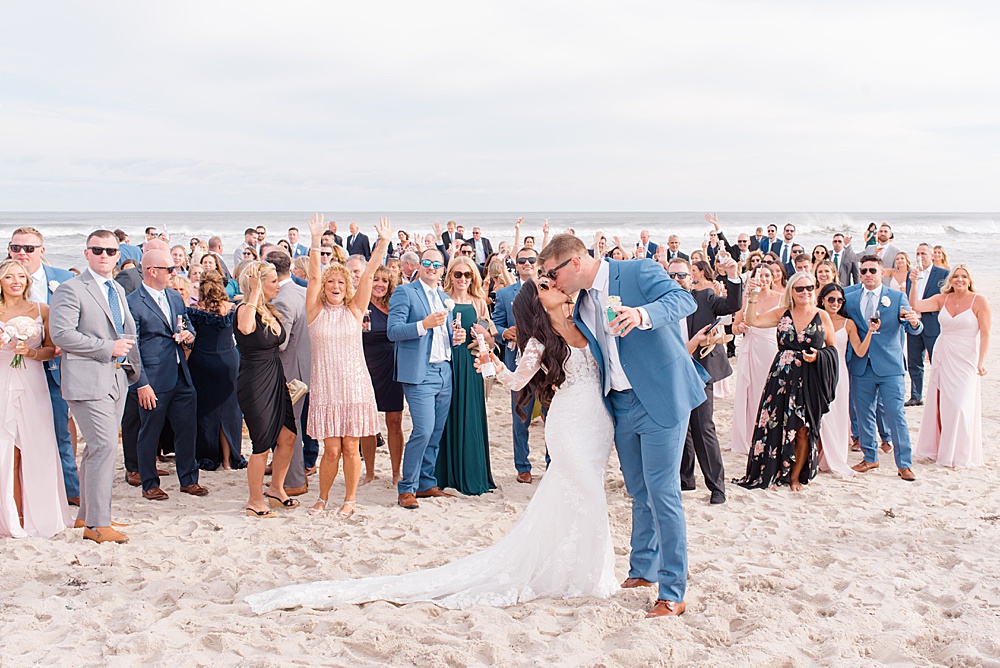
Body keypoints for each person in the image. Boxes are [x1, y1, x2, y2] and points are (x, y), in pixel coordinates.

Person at [246, 277, 619, 614]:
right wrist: (489, 362)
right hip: (568, 424)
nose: (553, 284)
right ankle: (586, 573)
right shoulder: (540, 341)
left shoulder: (586, 321)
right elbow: (516, 379)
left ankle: (581, 566)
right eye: (544, 284)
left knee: (585, 493)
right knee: (581, 488)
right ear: (538, 302)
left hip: (597, 425)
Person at [540, 234, 707, 618]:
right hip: (618, 402)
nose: (551, 281)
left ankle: (672, 592)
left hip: (661, 395)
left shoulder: (637, 271)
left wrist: (641, 315)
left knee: (664, 493)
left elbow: (684, 300)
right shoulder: (579, 302)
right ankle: (643, 570)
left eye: (553, 273)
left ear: (575, 263)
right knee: (638, 490)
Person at [50, 230, 141, 543]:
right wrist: (107, 348)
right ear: (86, 253)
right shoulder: (71, 289)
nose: (104, 256)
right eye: (98, 250)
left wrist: (132, 371)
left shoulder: (115, 288)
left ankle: (87, 516)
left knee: (95, 450)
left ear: (119, 254)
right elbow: (62, 334)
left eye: (111, 251)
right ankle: (97, 525)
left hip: (116, 378)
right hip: (86, 379)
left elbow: (127, 333)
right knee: (103, 447)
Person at [304, 215, 390, 518]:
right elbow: (313, 278)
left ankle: (350, 499)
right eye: (331, 282)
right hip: (327, 387)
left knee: (351, 448)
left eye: (341, 282)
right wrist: (315, 242)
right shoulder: (315, 312)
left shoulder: (355, 310)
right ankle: (323, 497)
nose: (335, 286)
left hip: (354, 386)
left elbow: (366, 278)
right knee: (331, 450)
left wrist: (381, 245)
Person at [736, 272, 839, 491]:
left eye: (809, 288)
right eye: (799, 289)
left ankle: (794, 477)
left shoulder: (822, 316)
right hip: (781, 377)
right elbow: (753, 320)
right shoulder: (783, 313)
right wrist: (752, 294)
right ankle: (773, 471)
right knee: (775, 423)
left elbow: (832, 348)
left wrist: (818, 356)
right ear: (791, 291)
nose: (805, 292)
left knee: (803, 428)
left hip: (809, 378)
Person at [387, 248, 467, 510]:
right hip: (420, 374)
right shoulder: (405, 292)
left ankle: (426, 482)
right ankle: (406, 488)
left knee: (436, 431)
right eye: (427, 262)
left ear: (443, 269)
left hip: (445, 371)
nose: (432, 267)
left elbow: (441, 338)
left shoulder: (444, 298)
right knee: (422, 429)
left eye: (437, 264)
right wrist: (424, 324)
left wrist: (456, 339)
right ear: (419, 266)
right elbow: (393, 331)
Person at [0, 260, 74, 537]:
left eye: (20, 276)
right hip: (2, 380)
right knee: (5, 448)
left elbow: (50, 350)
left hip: (33, 381)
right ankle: (10, 516)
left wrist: (29, 353)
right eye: (9, 276)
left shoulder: (42, 310)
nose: (16, 281)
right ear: (1, 281)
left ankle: (38, 514)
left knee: (38, 445)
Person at [7, 227, 79, 505]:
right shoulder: (5, 281)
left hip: (56, 367)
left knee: (60, 430)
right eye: (16, 248)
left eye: (28, 248)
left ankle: (70, 489)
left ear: (42, 251)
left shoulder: (63, 279)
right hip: (13, 371)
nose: (22, 254)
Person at [126, 249, 205, 501]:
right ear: (152, 271)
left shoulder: (174, 297)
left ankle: (189, 480)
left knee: (186, 429)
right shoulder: (133, 303)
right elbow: (132, 347)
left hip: (181, 373)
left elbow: (186, 325)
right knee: (149, 432)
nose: (175, 272)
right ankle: (149, 482)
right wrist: (141, 384)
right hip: (152, 378)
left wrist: (189, 336)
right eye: (169, 269)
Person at [669, 256, 742, 505]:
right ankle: (685, 479)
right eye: (671, 275)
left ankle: (717, 486)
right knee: (680, 428)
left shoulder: (705, 298)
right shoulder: (661, 304)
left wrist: (733, 275)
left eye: (681, 275)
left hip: (699, 372)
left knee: (702, 427)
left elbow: (732, 304)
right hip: (671, 373)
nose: (676, 280)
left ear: (692, 277)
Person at [844, 255, 924, 481]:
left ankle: (904, 464)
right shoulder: (849, 297)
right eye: (864, 271)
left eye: (872, 270)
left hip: (890, 366)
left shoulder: (897, 297)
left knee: (895, 414)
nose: (867, 274)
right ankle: (870, 457)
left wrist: (915, 322)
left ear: (882, 273)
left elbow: (913, 327)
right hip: (861, 364)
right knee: (863, 414)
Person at [235, 261, 298, 518]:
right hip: (254, 380)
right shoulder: (243, 309)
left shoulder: (271, 309)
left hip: (275, 376)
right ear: (258, 284)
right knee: (261, 443)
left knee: (288, 436)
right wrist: (253, 294)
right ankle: (254, 499)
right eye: (272, 281)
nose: (277, 285)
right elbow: (246, 328)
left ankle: (276, 488)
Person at [910, 265, 990, 467]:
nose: (960, 280)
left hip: (966, 358)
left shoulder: (978, 301)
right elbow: (916, 306)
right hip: (944, 354)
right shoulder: (942, 299)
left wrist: (980, 362)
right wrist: (914, 283)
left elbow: (986, 334)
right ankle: (942, 450)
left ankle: (959, 453)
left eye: (964, 276)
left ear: (969, 280)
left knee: (960, 405)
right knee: (944, 405)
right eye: (956, 276)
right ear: (950, 279)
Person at [436, 256, 496, 496]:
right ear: (450, 275)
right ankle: (444, 474)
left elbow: (491, 339)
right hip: (447, 363)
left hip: (471, 367)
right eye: (457, 274)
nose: (462, 279)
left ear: (474, 277)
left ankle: (471, 474)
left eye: (467, 275)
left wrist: (484, 334)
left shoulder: (479, 302)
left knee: (470, 415)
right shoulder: (441, 300)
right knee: (444, 416)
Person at [187, 271, 245, 471]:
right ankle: (228, 461)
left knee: (205, 411)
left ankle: (208, 455)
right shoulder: (231, 309)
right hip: (228, 361)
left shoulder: (195, 311)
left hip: (202, 361)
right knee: (229, 412)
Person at [493, 247, 542, 483]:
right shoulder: (504, 294)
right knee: (520, 417)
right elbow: (494, 326)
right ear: (516, 264)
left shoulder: (548, 289)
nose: (527, 263)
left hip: (547, 364)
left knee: (551, 416)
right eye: (522, 260)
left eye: (531, 259)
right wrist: (504, 332)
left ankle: (552, 464)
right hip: (517, 361)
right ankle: (522, 466)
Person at [815, 284, 874, 478]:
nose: (835, 303)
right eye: (831, 299)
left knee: (836, 415)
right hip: (815, 370)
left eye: (840, 300)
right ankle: (814, 457)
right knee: (817, 417)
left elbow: (859, 351)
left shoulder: (848, 323)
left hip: (838, 372)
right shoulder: (814, 318)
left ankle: (833, 458)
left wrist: (871, 332)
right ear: (822, 299)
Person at [266, 249, 311, 497]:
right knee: (292, 427)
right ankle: (291, 477)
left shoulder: (282, 299)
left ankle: (294, 481)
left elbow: (279, 341)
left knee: (287, 428)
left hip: (288, 370)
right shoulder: (302, 291)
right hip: (303, 365)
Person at [729, 264, 781, 454]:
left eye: (767, 275)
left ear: (773, 277)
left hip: (771, 348)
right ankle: (749, 433)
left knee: (768, 389)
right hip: (750, 347)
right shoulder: (746, 298)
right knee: (749, 391)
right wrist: (740, 328)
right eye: (760, 275)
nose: (764, 279)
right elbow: (734, 328)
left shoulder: (781, 298)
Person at [360, 266, 405, 485]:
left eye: (384, 281)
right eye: (376, 279)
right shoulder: (360, 306)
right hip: (367, 369)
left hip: (393, 369)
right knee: (368, 424)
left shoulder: (394, 307)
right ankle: (369, 472)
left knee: (395, 422)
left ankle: (396, 472)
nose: (380, 284)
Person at [904, 244, 949, 407]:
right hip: (915, 323)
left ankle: (941, 392)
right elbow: (909, 298)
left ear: (932, 256)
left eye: (923, 253)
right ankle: (916, 395)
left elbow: (946, 301)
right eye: (917, 253)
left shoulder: (943, 274)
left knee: (937, 361)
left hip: (933, 324)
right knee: (914, 362)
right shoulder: (911, 274)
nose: (920, 256)